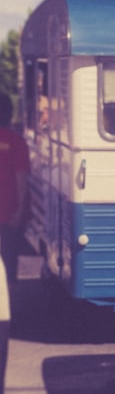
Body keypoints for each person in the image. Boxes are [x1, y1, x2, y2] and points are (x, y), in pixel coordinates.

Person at [0, 93, 30, 290]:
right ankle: (7, 313)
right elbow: (21, 179)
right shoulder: (17, 142)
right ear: (10, 115)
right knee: (8, 265)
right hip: (10, 214)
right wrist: (21, 210)